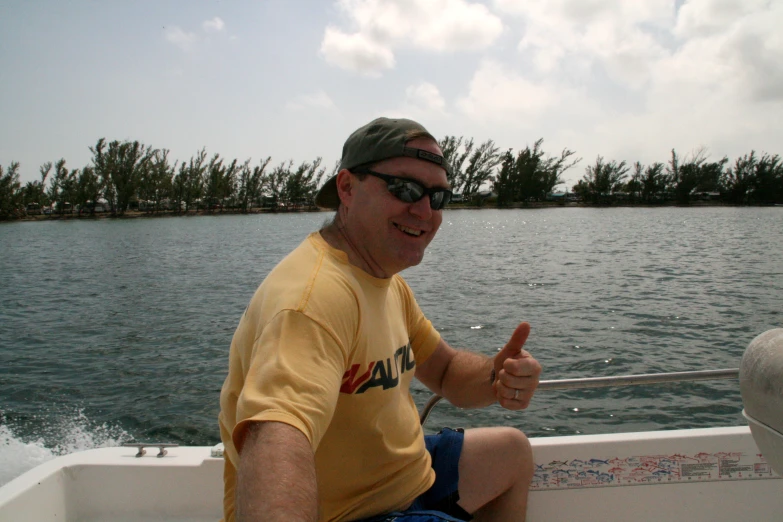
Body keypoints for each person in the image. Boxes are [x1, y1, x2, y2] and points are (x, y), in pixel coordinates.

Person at [218, 117, 542, 522]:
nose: (424, 210)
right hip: (346, 513)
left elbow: (445, 373)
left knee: (511, 452)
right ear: (347, 188)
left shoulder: (381, 278)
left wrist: (498, 376)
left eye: (438, 196)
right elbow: (277, 433)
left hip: (407, 479)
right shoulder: (314, 299)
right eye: (405, 189)